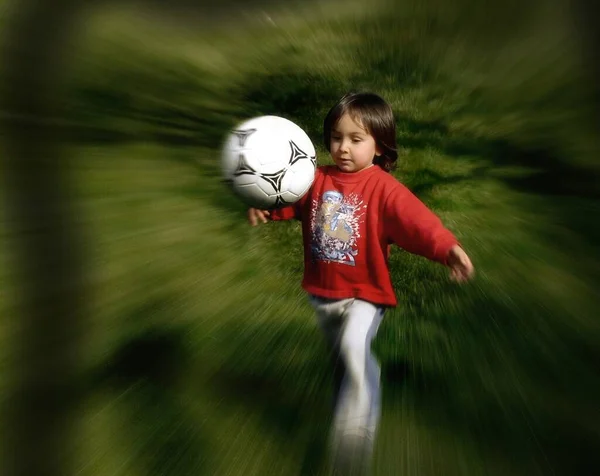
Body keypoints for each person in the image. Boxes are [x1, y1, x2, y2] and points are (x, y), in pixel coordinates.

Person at [247, 91, 474, 475]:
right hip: (323, 294)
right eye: (337, 137)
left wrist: (446, 248)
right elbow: (288, 198)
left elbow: (417, 223)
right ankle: (348, 412)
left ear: (380, 145)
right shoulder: (316, 178)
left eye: (356, 139)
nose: (344, 148)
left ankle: (356, 435)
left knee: (355, 348)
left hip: (366, 294)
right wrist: (266, 206)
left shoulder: (383, 188)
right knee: (342, 364)